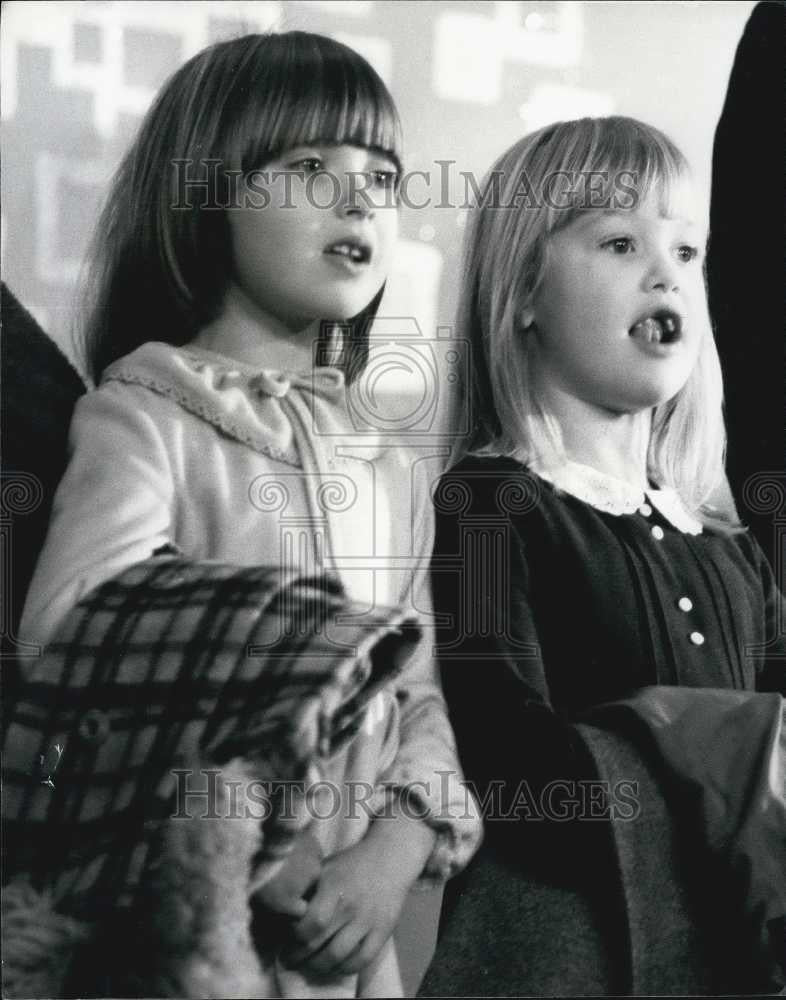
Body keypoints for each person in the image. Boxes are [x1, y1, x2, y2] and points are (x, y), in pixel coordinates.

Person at [16, 31, 481, 998]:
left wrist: (393, 850)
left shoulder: (392, 471)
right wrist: (266, 842)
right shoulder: (143, 416)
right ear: (210, 193)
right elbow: (76, 635)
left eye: (383, 178)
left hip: (345, 951)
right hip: (182, 929)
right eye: (311, 166)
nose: (359, 199)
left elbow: (417, 691)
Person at [426, 115, 786, 994]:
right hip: (573, 961)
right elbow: (505, 759)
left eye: (689, 253)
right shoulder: (486, 504)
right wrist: (713, 777)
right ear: (523, 294)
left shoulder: (733, 546)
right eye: (622, 242)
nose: (666, 272)